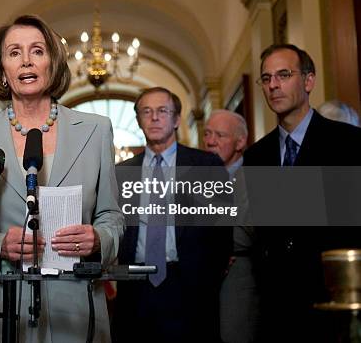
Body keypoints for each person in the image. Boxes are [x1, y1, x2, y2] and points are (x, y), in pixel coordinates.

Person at [0, 14, 124, 342]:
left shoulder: (96, 131)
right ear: (2, 70)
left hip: (76, 307)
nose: (26, 61)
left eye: (37, 51)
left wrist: (99, 240)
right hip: (0, 307)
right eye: (14, 53)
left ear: (53, 63)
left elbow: (111, 217)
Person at [243, 44, 361, 340]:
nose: (273, 85)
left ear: (309, 81)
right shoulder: (257, 155)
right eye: (266, 78)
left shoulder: (347, 143)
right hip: (278, 310)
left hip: (333, 303)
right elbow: (266, 233)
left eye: (283, 74)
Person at [112, 87, 231, 342]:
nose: (154, 118)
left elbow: (222, 230)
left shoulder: (206, 165)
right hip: (135, 288)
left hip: (190, 288)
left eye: (162, 111)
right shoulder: (120, 173)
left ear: (177, 119)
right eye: (147, 111)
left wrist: (208, 276)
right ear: (139, 121)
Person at [204, 109, 258, 343]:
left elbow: (248, 233)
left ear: (240, 141)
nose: (210, 141)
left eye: (220, 135)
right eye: (207, 134)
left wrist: (216, 248)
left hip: (240, 282)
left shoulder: (255, 176)